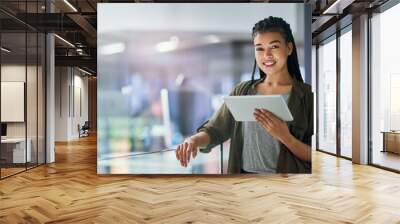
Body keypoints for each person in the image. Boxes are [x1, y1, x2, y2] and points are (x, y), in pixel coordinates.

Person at [175, 16, 313, 174]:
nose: (266, 55)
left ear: (289, 48)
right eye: (259, 48)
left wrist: (285, 137)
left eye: (274, 47)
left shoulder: (307, 96)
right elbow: (215, 130)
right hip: (244, 182)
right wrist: (192, 141)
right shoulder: (242, 91)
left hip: (287, 186)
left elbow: (317, 156)